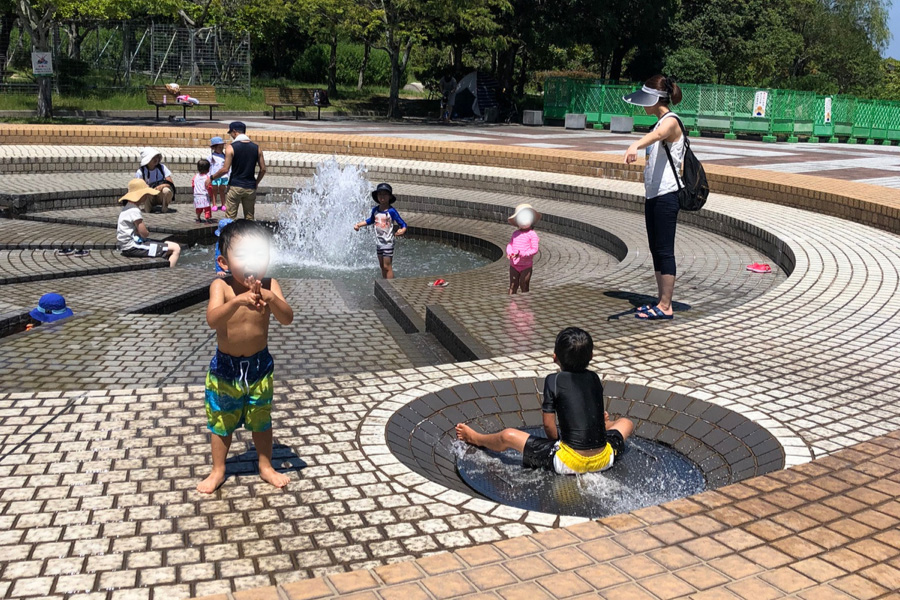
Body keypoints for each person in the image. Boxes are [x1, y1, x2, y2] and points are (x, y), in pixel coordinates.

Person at [198, 220, 294, 493]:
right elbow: (212, 320)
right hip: (226, 369)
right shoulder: (222, 288)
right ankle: (218, 470)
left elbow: (287, 318)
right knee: (222, 421)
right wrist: (237, 301)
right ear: (224, 262)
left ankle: (265, 465)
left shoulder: (270, 284)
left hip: (259, 367)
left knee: (261, 420)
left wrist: (271, 299)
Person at [456, 327, 634, 475]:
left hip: (568, 462)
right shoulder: (594, 378)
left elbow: (549, 426)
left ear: (554, 357)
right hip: (604, 458)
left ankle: (476, 438)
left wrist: (555, 443)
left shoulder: (553, 380)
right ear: (591, 356)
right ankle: (607, 424)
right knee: (626, 422)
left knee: (508, 435)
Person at [623, 75, 684, 321]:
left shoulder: (670, 122)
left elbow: (659, 136)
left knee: (665, 250)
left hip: (668, 195)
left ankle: (666, 306)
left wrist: (634, 145)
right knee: (656, 249)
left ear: (656, 100)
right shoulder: (658, 123)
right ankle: (661, 300)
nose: (644, 106)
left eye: (646, 101)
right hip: (654, 195)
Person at [116, 178, 181, 268]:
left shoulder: (127, 207)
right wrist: (146, 232)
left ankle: (164, 267)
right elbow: (144, 233)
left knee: (166, 243)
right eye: (145, 194)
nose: (147, 196)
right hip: (132, 247)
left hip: (127, 245)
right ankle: (169, 272)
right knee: (176, 248)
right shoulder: (134, 210)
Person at [210, 122, 266, 221]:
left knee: (230, 218)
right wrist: (256, 183)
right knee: (249, 218)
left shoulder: (231, 147)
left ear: (235, 132)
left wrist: (211, 178)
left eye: (231, 133)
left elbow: (225, 169)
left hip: (235, 186)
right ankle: (248, 235)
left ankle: (229, 235)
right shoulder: (257, 148)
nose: (231, 135)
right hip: (250, 187)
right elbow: (263, 169)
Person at [353, 183, 407, 279]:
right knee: (382, 266)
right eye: (380, 194)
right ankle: (385, 283)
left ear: (389, 197)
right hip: (379, 242)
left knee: (387, 266)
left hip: (388, 242)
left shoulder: (391, 211)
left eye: (385, 194)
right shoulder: (375, 210)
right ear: (377, 196)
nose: (382, 197)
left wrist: (402, 230)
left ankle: (390, 284)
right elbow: (371, 220)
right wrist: (359, 225)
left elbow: (402, 223)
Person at [507, 203, 541, 294]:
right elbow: (510, 244)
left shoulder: (532, 234)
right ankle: (511, 305)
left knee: (524, 284)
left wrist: (522, 254)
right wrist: (509, 252)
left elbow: (534, 249)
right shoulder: (515, 233)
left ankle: (525, 304)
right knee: (513, 285)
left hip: (526, 265)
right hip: (514, 264)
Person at [135, 147, 175, 213]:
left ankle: (164, 208)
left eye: (157, 157)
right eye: (153, 158)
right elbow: (138, 187)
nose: (156, 159)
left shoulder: (162, 168)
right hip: (149, 196)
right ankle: (148, 208)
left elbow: (170, 183)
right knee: (145, 192)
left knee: (166, 190)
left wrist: (161, 186)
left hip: (160, 194)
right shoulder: (140, 172)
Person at [208, 136, 229, 212]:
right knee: (214, 190)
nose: (221, 148)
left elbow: (228, 167)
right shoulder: (211, 157)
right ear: (213, 148)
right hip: (214, 176)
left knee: (222, 190)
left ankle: (223, 204)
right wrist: (209, 176)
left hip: (224, 176)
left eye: (222, 147)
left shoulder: (225, 156)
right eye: (219, 147)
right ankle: (214, 204)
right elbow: (209, 167)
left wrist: (229, 175)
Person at [192, 159, 214, 223]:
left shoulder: (195, 177)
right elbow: (209, 187)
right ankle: (207, 218)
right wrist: (211, 195)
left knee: (198, 208)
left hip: (197, 195)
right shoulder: (207, 178)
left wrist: (194, 192)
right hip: (204, 195)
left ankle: (198, 217)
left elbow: (193, 185)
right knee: (207, 208)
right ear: (208, 169)